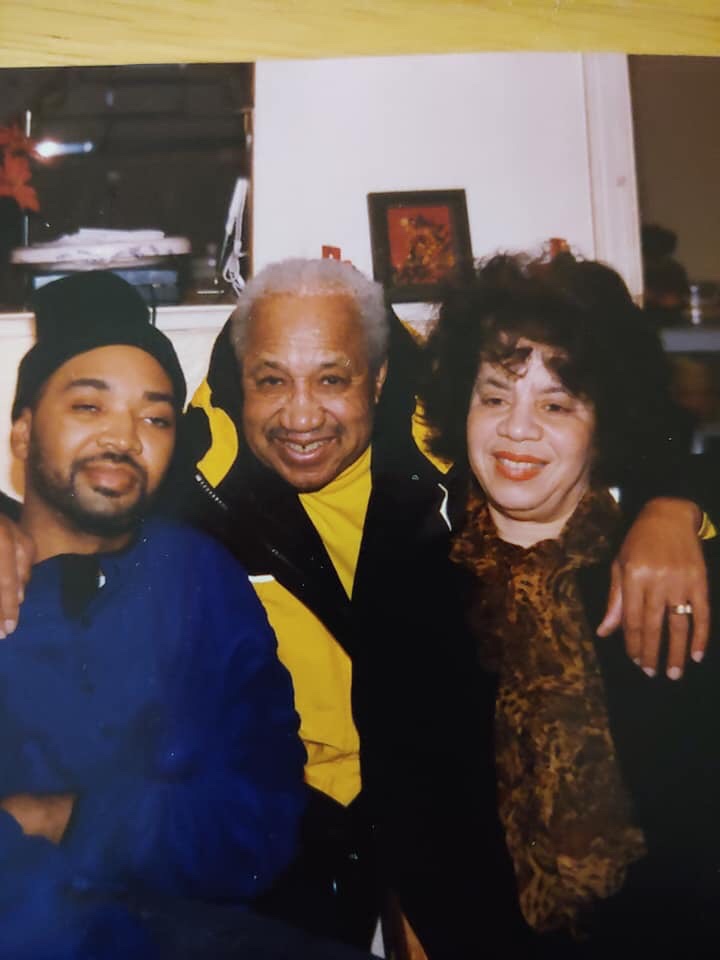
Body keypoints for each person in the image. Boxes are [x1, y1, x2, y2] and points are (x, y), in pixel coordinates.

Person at [0, 258, 711, 958]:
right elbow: (84, 489)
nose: (301, 414)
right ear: (238, 385)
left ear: (378, 379)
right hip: (299, 857)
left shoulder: (448, 465)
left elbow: (636, 422)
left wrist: (674, 504)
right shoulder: (190, 484)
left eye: (332, 379)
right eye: (271, 380)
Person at [0, 271, 307, 957]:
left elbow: (259, 826)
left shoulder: (200, 580)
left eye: (156, 418)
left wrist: (65, 818)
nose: (124, 437)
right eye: (89, 406)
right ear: (23, 433)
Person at [422, 252, 720, 955]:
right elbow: (421, 831)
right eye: (495, 397)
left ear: (604, 424)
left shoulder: (674, 575)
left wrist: (675, 507)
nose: (517, 429)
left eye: (555, 405)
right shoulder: (421, 590)